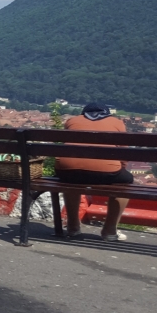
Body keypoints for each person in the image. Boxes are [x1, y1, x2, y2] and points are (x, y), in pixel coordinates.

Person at [56, 102, 133, 241]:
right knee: (125, 183)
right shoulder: (117, 122)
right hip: (107, 172)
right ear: (107, 113)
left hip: (68, 171)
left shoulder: (72, 121)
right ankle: (109, 230)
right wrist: (120, 166)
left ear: (83, 113)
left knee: (70, 180)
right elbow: (124, 153)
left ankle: (73, 227)